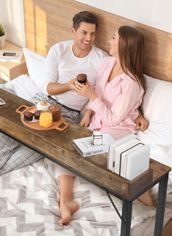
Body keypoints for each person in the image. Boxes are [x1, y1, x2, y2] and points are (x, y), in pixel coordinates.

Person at [0, 12, 148, 203]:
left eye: (93, 33)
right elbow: (47, 87)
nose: (89, 38)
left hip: (70, 114)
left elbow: (116, 93)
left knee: (37, 146)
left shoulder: (101, 59)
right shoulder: (60, 50)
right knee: (14, 131)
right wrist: (69, 86)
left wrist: (137, 112)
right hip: (45, 101)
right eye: (84, 33)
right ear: (73, 31)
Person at [56, 25, 153, 226]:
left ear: (124, 46)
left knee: (94, 155)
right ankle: (66, 201)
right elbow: (99, 90)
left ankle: (145, 196)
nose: (109, 41)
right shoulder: (107, 63)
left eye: (113, 37)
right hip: (95, 121)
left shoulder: (132, 83)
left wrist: (91, 97)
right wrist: (89, 112)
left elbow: (113, 119)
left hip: (117, 129)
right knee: (66, 149)